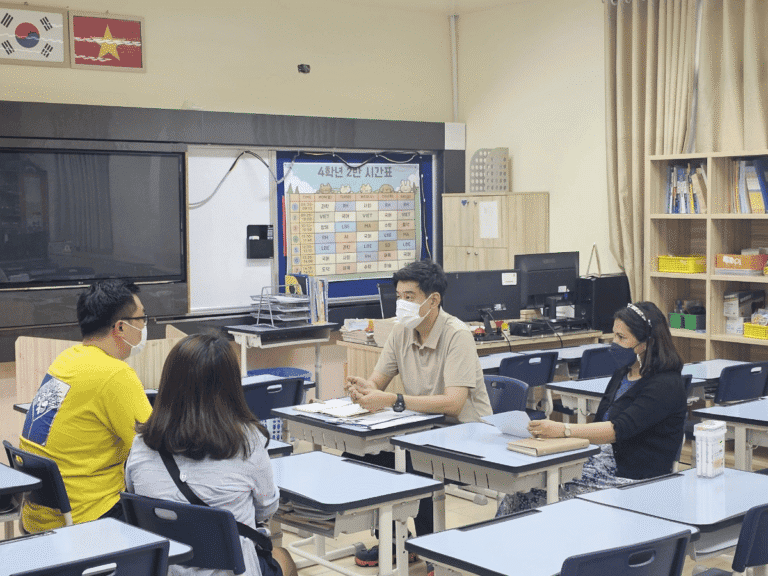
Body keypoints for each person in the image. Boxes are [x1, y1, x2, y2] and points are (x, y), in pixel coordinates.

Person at [344, 259, 492, 566]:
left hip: (465, 432)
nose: (401, 304)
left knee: (414, 461)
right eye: (399, 296)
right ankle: (394, 543)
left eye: (409, 297)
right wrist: (364, 389)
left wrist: (391, 399)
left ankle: (431, 553)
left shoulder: (457, 335)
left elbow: (453, 404)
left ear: (433, 300)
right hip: (422, 427)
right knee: (362, 454)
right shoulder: (401, 332)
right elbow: (377, 381)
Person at [125, 332, 297, 576]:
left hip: (166, 570)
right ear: (231, 386)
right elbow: (266, 509)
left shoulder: (142, 444)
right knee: (283, 558)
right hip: (233, 570)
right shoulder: (248, 443)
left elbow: (136, 497)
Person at [497, 301, 687, 516]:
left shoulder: (665, 384)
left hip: (632, 478)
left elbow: (616, 430)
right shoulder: (624, 373)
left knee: (532, 495)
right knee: (520, 489)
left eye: (622, 338)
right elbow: (600, 424)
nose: (613, 343)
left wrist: (563, 430)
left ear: (647, 343)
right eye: (614, 335)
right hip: (600, 462)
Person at [18, 279, 152, 531]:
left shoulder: (66, 359)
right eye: (142, 318)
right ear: (121, 327)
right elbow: (157, 446)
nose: (145, 325)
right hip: (87, 519)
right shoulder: (115, 374)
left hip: (38, 518)